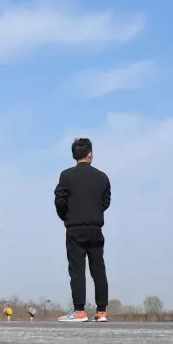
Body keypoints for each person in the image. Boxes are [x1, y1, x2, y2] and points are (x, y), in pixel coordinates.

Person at [54, 137, 112, 323]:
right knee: (98, 268)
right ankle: (101, 311)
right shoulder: (102, 177)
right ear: (90, 154)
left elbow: (59, 200)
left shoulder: (66, 175)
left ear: (74, 156)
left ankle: (79, 310)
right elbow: (106, 201)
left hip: (75, 227)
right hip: (95, 227)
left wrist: (67, 216)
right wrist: (94, 212)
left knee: (77, 269)